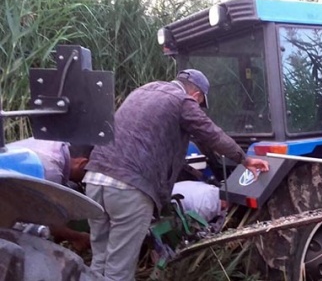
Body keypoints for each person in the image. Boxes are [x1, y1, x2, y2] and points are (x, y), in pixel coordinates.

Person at [83, 69, 270, 281]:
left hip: (94, 180)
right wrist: (244, 159)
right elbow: (212, 135)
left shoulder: (142, 91)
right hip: (128, 187)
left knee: (98, 261)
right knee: (119, 270)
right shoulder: (183, 101)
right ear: (197, 96)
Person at [7, 138, 92, 252]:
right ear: (82, 164)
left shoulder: (52, 142)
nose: (85, 180)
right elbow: (46, 222)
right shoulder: (51, 170)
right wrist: (77, 237)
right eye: (87, 174)